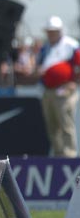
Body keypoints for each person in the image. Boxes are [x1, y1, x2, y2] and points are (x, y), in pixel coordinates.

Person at [36, 16, 80, 157]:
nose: (51, 34)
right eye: (49, 31)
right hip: (48, 91)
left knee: (65, 123)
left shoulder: (71, 45)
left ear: (60, 31)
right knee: (52, 126)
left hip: (65, 90)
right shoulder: (46, 47)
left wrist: (74, 83)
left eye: (53, 31)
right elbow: (39, 65)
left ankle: (70, 155)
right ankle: (58, 155)